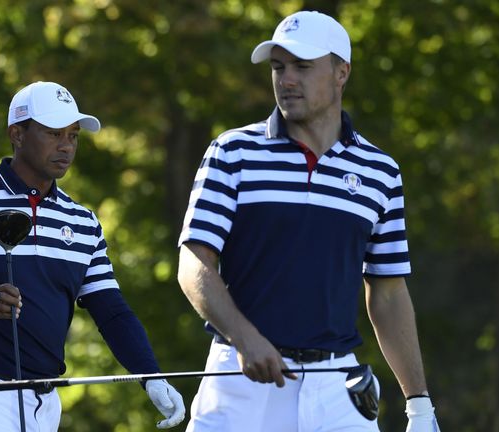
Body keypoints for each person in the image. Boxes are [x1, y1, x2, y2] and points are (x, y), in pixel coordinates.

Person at [177, 11, 440, 432]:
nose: (287, 79)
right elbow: (194, 265)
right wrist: (247, 340)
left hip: (339, 387)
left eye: (302, 66)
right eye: (278, 67)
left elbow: (388, 293)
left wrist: (419, 405)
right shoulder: (232, 153)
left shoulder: (380, 172)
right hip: (241, 382)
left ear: (341, 73)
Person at [0, 81, 185, 431]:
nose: (66, 146)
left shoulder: (82, 222)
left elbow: (111, 311)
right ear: (17, 134)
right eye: (54, 134)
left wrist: (150, 375)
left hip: (46, 401)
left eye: (73, 136)